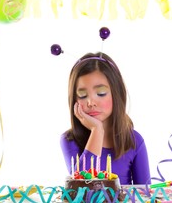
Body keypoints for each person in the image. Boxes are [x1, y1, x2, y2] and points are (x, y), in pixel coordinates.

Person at [60, 52, 151, 185]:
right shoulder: (69, 140)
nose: (91, 102)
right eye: (83, 95)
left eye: (101, 93)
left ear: (117, 93)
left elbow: (145, 195)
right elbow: (81, 188)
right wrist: (97, 130)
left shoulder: (134, 141)